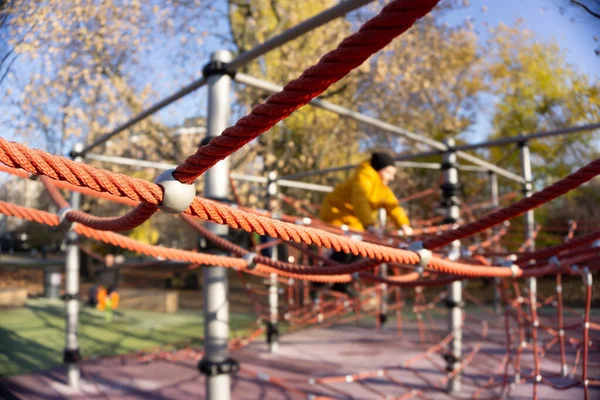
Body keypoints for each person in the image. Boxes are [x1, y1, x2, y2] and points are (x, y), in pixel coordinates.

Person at [320, 152, 413, 238]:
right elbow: (360, 202)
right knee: (344, 250)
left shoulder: (382, 188)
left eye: (393, 174)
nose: (391, 178)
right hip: (336, 217)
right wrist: (369, 225)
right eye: (388, 173)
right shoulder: (364, 178)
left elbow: (393, 207)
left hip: (354, 222)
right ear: (379, 170)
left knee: (357, 249)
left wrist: (403, 225)